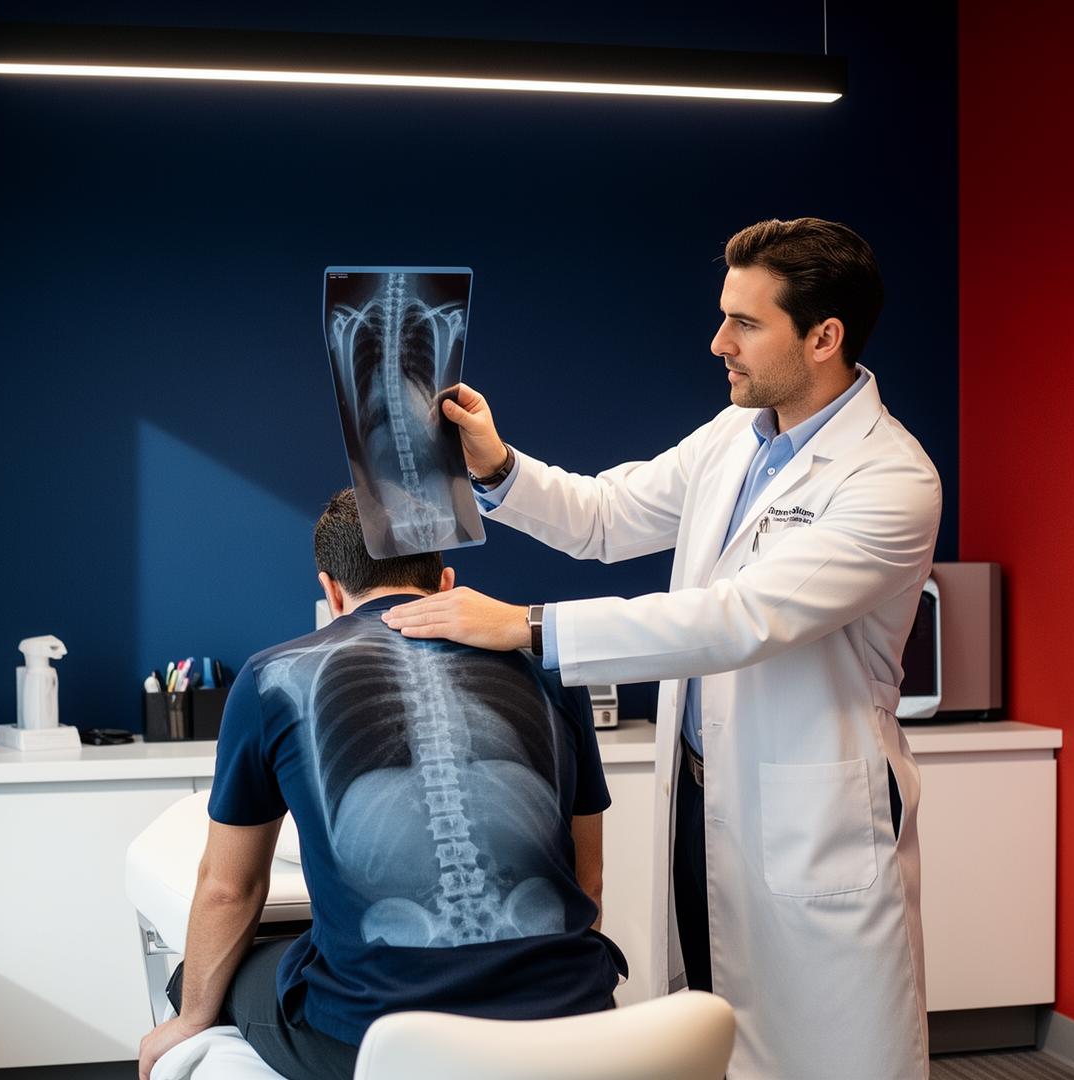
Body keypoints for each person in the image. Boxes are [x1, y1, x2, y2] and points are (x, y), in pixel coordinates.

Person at [380, 217, 942, 1078]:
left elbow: (737, 620)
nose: (719, 342)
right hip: (701, 802)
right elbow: (609, 515)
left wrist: (530, 628)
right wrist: (496, 467)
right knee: (709, 1026)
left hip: (808, 814)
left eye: (745, 324)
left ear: (824, 337)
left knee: (831, 1051)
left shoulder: (892, 480)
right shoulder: (733, 437)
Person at [138, 489, 624, 1080]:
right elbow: (587, 878)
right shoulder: (551, 669)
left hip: (380, 1044)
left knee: (202, 973)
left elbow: (228, 890)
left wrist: (190, 1019)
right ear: (447, 581)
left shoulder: (273, 677)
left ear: (331, 589)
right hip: (572, 1024)